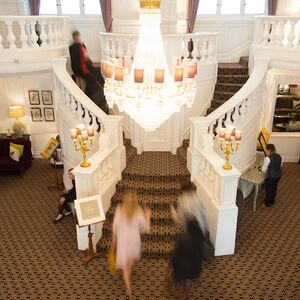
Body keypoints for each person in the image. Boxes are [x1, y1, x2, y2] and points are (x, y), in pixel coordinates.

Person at [112, 190, 151, 297]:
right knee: (130, 262)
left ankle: (128, 288)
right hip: (134, 241)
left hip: (123, 243)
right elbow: (147, 229)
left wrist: (113, 244)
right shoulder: (138, 211)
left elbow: (114, 230)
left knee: (125, 266)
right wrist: (148, 214)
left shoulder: (119, 210)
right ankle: (128, 272)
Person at [171, 218, 213, 300]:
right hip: (194, 265)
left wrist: (173, 262)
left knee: (185, 279)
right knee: (188, 280)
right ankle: (185, 294)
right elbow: (202, 252)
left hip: (184, 265)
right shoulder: (200, 238)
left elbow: (177, 253)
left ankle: (183, 295)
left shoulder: (183, 238)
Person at [69, 31, 107, 112]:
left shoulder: (73, 47)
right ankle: (83, 96)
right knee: (86, 79)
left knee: (80, 80)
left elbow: (79, 58)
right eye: (78, 37)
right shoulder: (79, 46)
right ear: (77, 37)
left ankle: (80, 96)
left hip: (76, 68)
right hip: (80, 68)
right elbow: (85, 57)